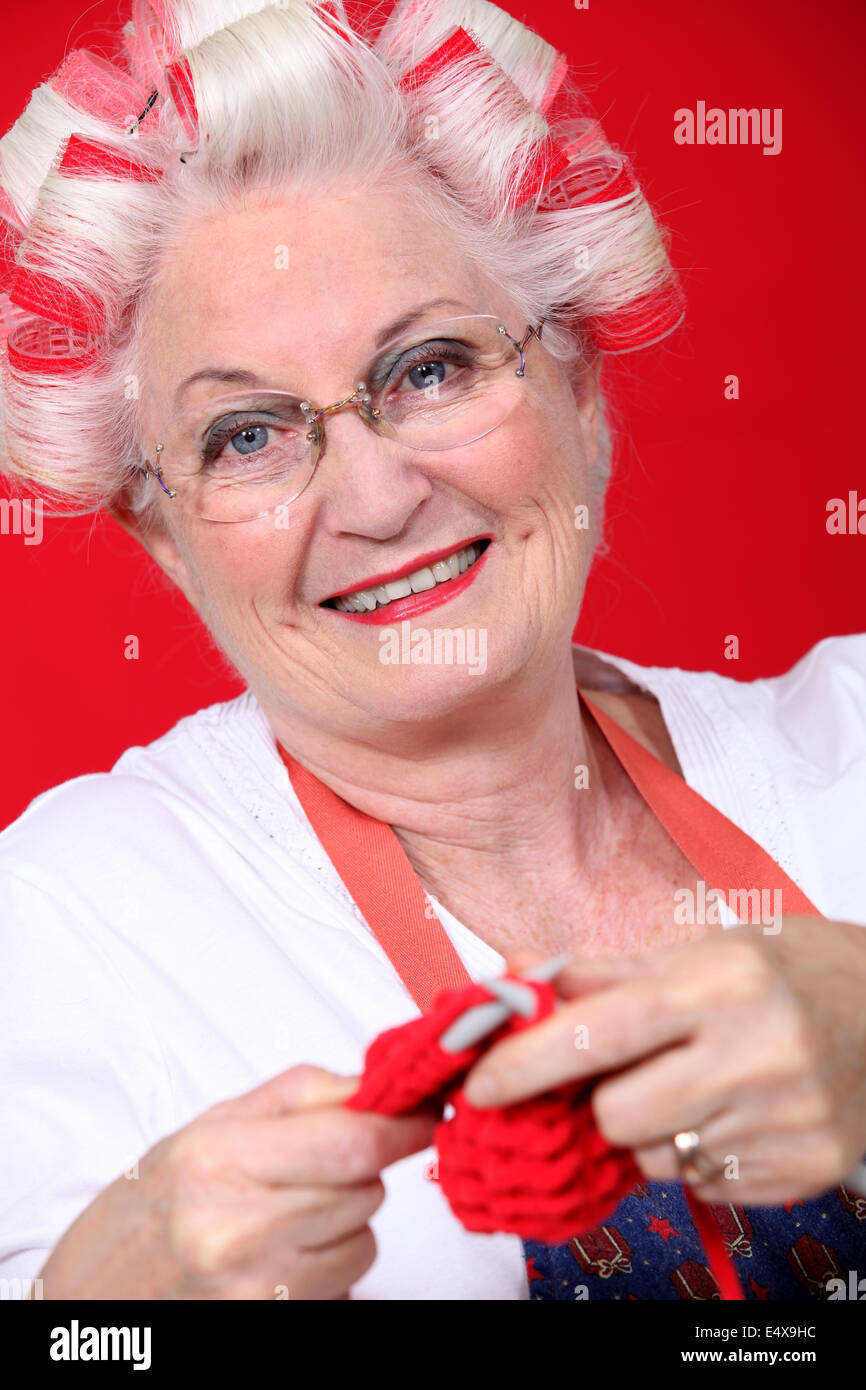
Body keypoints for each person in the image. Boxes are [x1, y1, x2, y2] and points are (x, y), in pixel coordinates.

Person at [0, 0, 864, 1302]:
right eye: (246, 435)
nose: (372, 497)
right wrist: (90, 1316)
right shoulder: (56, 928)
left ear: (578, 393)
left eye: (429, 367)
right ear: (164, 534)